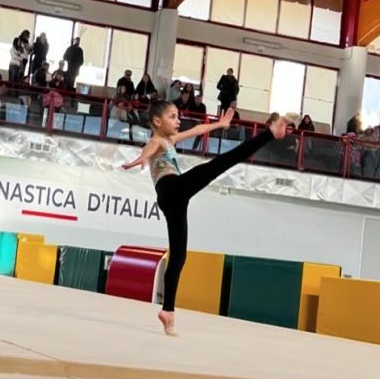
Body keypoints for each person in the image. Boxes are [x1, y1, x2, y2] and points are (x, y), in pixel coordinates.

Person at [122, 102, 288, 335]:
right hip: (173, 188)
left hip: (175, 199)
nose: (178, 120)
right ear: (157, 121)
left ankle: (168, 311)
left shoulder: (171, 140)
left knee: (179, 256)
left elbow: (196, 130)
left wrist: (219, 124)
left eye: (178, 116)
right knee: (223, 162)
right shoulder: (158, 140)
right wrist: (141, 158)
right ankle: (269, 133)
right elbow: (149, 148)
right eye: (172, 116)